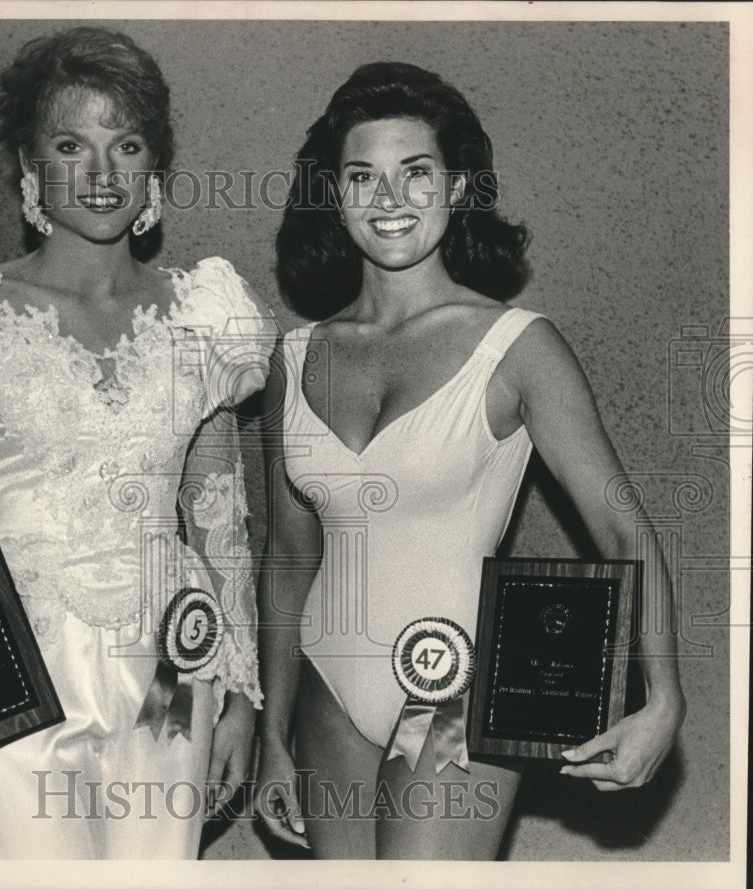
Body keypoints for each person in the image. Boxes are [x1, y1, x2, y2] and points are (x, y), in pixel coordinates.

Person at [0, 26, 272, 860]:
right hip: (4, 668)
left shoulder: (206, 317)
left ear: (153, 168)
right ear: (30, 168)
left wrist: (241, 688)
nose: (101, 174)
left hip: (173, 675)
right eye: (73, 145)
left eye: (126, 143)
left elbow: (220, 519)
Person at [254, 62, 685, 860]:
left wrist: (664, 698)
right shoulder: (294, 355)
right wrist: (270, 735)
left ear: (455, 189)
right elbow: (286, 560)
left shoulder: (520, 348)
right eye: (363, 176)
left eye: (416, 173)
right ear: (334, 195)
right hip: (325, 688)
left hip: (466, 693)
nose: (389, 200)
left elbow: (622, 528)